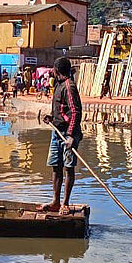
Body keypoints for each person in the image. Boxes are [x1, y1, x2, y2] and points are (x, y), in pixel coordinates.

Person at [41, 57, 82, 216]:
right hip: (57, 132)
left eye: (53, 68)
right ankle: (56, 201)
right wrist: (52, 117)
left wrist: (71, 135)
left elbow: (75, 112)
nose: (52, 71)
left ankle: (65, 203)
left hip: (67, 134)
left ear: (57, 70)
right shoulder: (58, 85)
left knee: (68, 168)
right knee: (55, 166)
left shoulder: (69, 87)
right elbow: (62, 109)